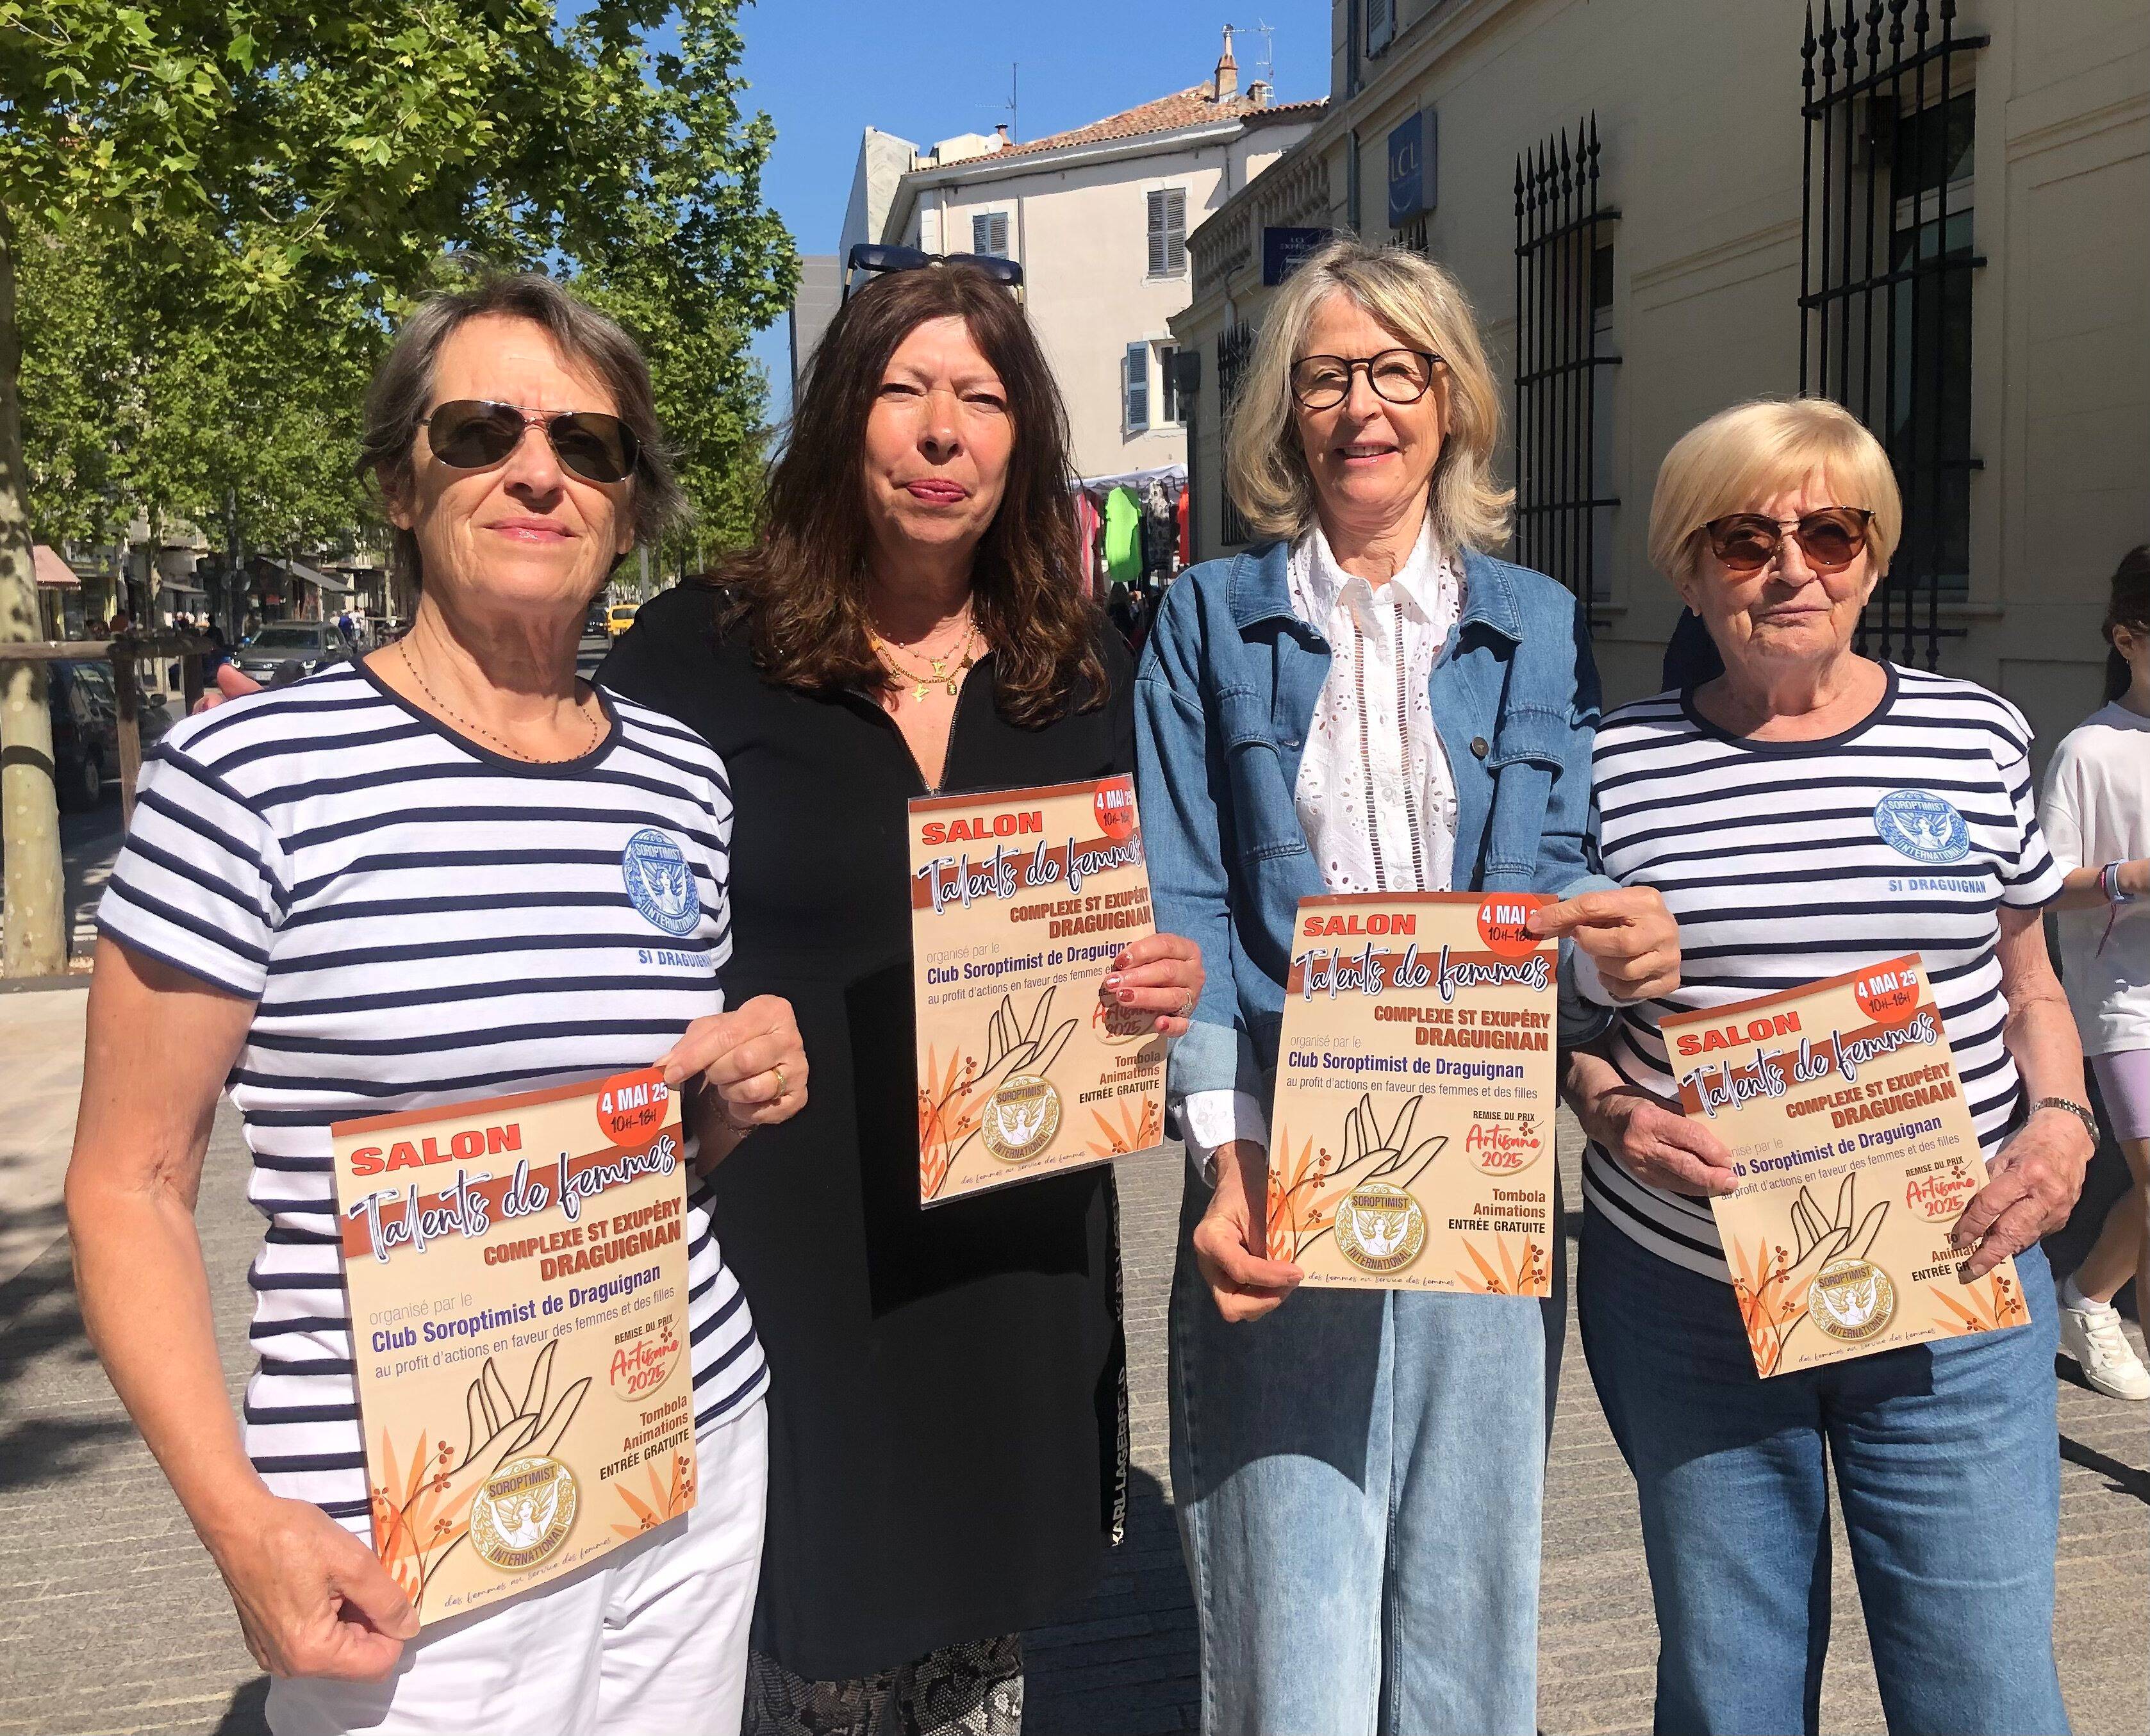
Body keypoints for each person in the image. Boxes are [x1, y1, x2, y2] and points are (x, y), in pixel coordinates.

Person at [67, 272, 809, 1736]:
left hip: (688, 1440)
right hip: (405, 1519)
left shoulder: (681, 776)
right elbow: (129, 1184)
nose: (539, 469)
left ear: (627, 503)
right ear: (405, 485)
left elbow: (643, 1160)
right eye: (483, 430)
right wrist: (237, 1521)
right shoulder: (247, 779)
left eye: (589, 447)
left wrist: (722, 1102)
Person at [599, 260, 1206, 1735]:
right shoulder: (698, 650)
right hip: (786, 1254)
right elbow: (599, 923)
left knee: (979, 1672)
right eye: (904, 389)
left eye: (983, 400)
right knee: (793, 1645)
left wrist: (1162, 972)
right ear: (838, 420)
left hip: (1009, 1249)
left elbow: (1152, 900)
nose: (943, 434)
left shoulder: (1085, 662)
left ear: (1022, 444)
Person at [1134, 236, 1680, 1736]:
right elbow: (1182, 890)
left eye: (1396, 370)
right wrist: (1223, 1161)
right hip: (1284, 1165)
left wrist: (1610, 943)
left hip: (1483, 1168)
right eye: (1327, 376)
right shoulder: (1208, 617)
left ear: (1450, 399)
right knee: (1292, 1647)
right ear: (1284, 414)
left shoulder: (1534, 618)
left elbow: (1548, 880)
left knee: (1467, 1624)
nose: (1362, 405)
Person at [1569, 397, 2090, 1735]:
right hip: (1693, 1302)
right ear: (1688, 567)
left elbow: (2030, 980)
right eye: (1744, 538)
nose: (1791, 565)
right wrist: (1615, 1115)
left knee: (1985, 1690)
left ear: (1873, 555)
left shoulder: (1971, 735)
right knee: (1730, 1692)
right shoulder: (1610, 769)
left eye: (1830, 532)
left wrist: (2065, 1121)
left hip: (1958, 1275)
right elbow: (1566, 1031)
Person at [2038, 545, 2150, 1400]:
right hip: (2125, 1001)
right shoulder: (2090, 751)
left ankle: (2091, 1293)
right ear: (2128, 636)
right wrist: (2133, 877)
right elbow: (2045, 885)